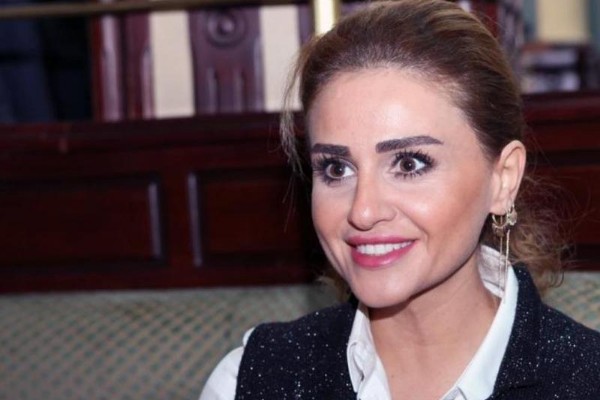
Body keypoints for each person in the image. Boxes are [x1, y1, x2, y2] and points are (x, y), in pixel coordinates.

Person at [200, 1, 600, 398]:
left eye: (409, 164)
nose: (363, 211)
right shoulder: (250, 380)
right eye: (337, 169)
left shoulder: (585, 379)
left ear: (503, 178)